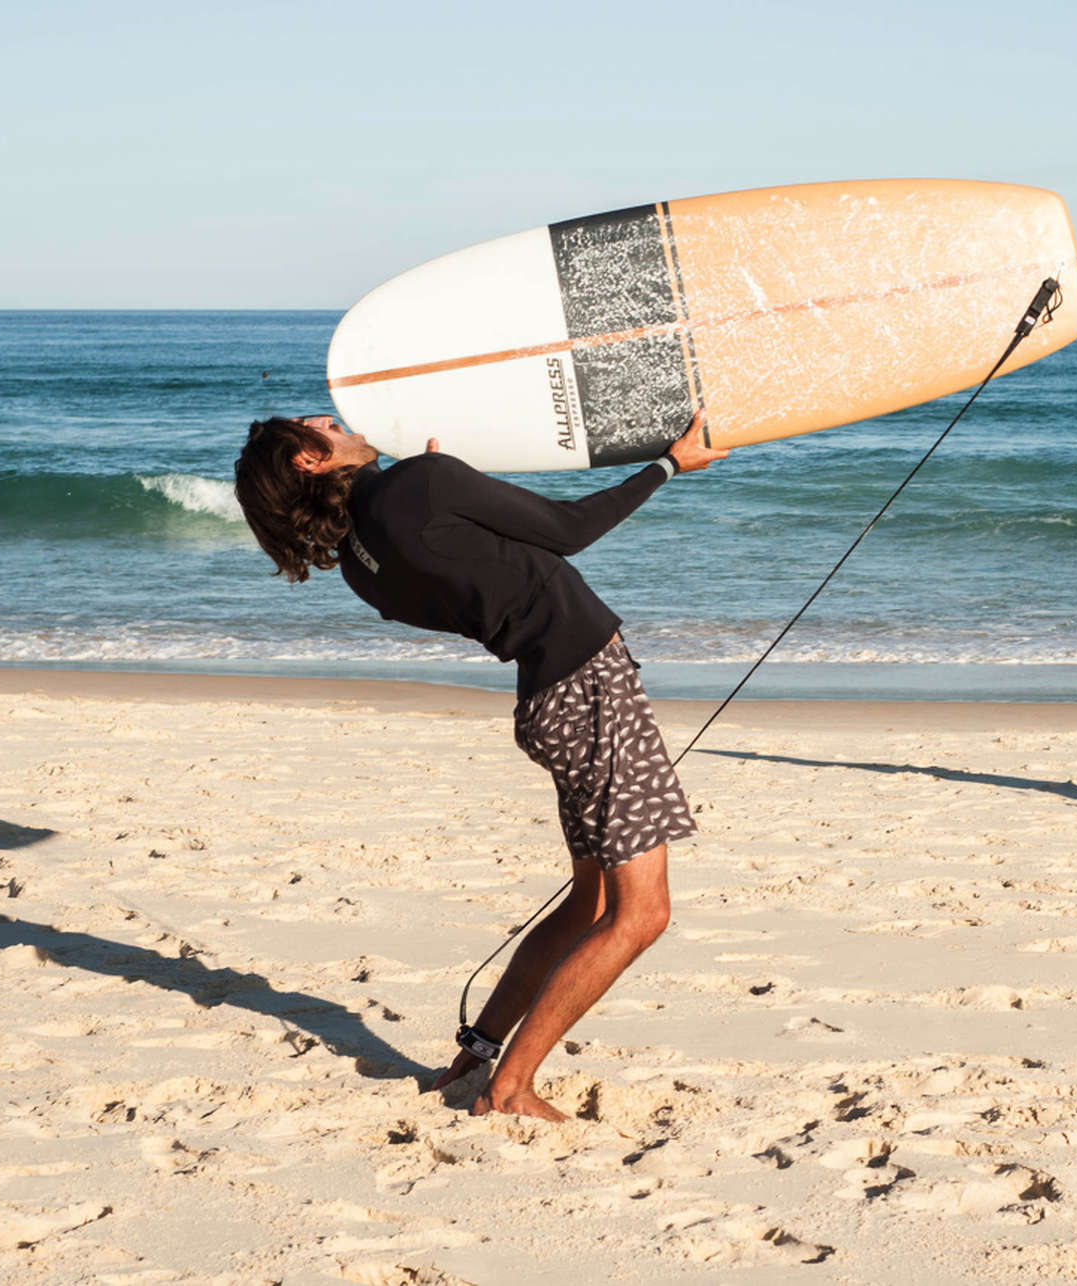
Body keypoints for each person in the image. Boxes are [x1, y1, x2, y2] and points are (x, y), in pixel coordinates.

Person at [234, 412, 727, 1120]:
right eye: (318, 425)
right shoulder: (420, 485)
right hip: (587, 689)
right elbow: (566, 531)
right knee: (640, 915)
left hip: (547, 699)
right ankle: (511, 1087)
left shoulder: (358, 564)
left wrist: (442, 489)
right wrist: (671, 464)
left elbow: (460, 571)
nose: (333, 418)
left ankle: (479, 1052)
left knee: (588, 903)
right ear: (309, 460)